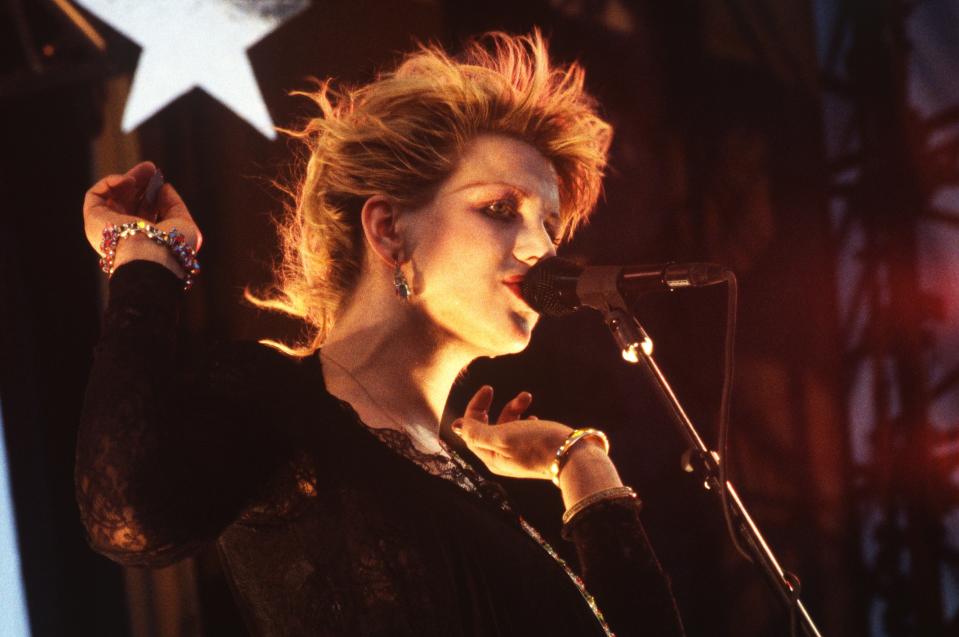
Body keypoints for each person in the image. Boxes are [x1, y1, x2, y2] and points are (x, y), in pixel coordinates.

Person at [76, 31, 685, 636]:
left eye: (550, 227)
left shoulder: (476, 481)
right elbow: (127, 516)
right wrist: (146, 257)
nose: (542, 250)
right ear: (389, 229)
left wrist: (579, 462)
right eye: (501, 209)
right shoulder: (282, 405)